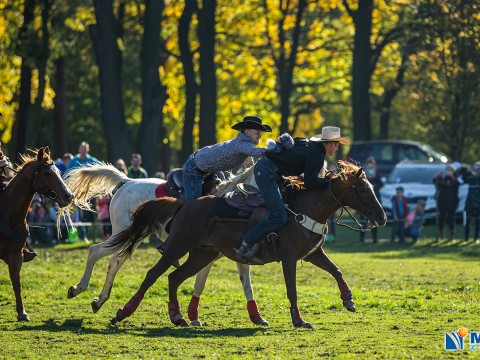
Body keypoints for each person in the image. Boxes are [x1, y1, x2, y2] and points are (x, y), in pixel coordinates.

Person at [235, 126, 350, 264]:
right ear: (331, 144)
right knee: (279, 217)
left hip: (269, 171)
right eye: (337, 145)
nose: (336, 149)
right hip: (267, 174)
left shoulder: (309, 144)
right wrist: (328, 179)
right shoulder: (317, 155)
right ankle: (246, 244)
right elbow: (310, 183)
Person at [183, 116, 272, 202]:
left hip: (208, 169)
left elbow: (249, 158)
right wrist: (275, 149)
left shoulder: (243, 145)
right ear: (247, 132)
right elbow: (256, 152)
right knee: (194, 206)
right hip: (194, 171)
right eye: (257, 133)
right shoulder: (242, 143)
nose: (260, 136)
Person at [66, 142, 101, 243]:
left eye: (85, 149)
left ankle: (93, 235)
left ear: (88, 150)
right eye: (82, 148)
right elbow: (67, 174)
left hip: (90, 193)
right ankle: (83, 235)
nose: (83, 150)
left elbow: (102, 169)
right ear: (79, 149)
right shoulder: (74, 161)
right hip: (78, 193)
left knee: (92, 213)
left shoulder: (92, 160)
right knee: (80, 215)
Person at [359, 156, 383, 243]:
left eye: (371, 167)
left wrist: (374, 176)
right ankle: (362, 238)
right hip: (365, 202)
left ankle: (375, 238)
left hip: (374, 201)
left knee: (374, 220)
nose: (370, 169)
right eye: (368, 167)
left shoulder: (377, 175)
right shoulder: (363, 176)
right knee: (363, 221)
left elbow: (381, 185)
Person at [433, 164, 460, 241]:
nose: (449, 171)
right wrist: (438, 176)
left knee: (451, 219)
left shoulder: (455, 180)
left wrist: (452, 176)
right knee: (441, 219)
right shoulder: (442, 179)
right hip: (442, 203)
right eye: (447, 170)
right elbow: (435, 182)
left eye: (450, 170)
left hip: (452, 203)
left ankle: (452, 236)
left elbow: (456, 185)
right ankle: (441, 236)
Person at [459, 162, 480, 241]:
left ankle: (476, 238)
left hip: (479, 203)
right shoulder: (471, 178)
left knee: (478, 221)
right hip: (470, 202)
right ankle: (466, 238)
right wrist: (469, 170)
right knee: (468, 221)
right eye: (478, 169)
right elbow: (462, 179)